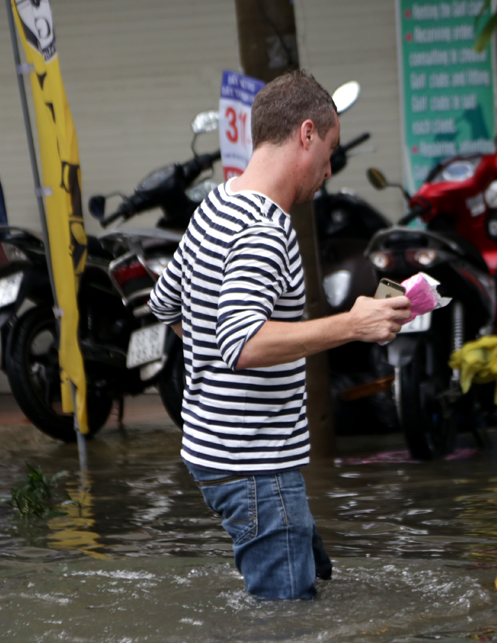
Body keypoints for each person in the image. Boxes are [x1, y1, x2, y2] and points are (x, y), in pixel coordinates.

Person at [148, 69, 411, 599]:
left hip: (213, 452)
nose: (329, 167)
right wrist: (354, 323)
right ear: (306, 134)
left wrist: (213, 370)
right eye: (330, 149)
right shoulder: (266, 230)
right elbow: (242, 345)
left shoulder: (216, 205)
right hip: (254, 466)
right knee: (286, 631)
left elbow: (165, 304)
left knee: (311, 578)